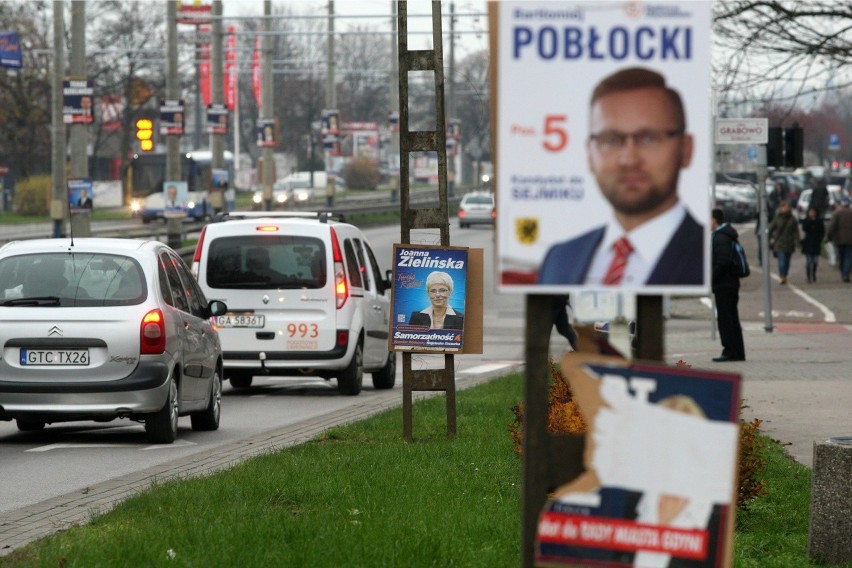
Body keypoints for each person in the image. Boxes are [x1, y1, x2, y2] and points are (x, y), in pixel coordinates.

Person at [538, 67, 703, 286]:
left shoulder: (705, 257)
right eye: (612, 140)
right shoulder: (559, 259)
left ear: (686, 149)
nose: (629, 159)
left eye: (649, 139)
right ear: (589, 154)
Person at [711, 208, 746, 362]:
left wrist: (712, 278)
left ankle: (729, 351)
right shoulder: (728, 235)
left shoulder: (720, 238)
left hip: (724, 283)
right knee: (732, 317)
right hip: (731, 282)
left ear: (714, 220)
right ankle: (738, 351)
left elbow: (723, 262)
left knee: (725, 318)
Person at [767, 199, 800, 284]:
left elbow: (796, 231)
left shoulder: (792, 219)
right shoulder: (777, 218)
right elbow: (770, 229)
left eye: (787, 207)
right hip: (779, 243)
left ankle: (785, 274)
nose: (785, 208)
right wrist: (768, 239)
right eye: (783, 207)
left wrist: (798, 242)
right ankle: (782, 276)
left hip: (789, 243)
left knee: (787, 262)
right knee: (781, 260)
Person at [826, 196, 852, 283]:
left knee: (841, 256)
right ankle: (846, 274)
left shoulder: (837, 213)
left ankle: (843, 272)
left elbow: (832, 226)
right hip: (850, 239)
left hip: (839, 239)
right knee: (848, 257)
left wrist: (829, 236)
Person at [800, 206, 825, 283]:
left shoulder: (819, 221)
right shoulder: (806, 221)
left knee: (815, 261)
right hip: (808, 243)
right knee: (809, 261)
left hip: (816, 243)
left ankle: (813, 274)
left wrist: (820, 238)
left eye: (813, 212)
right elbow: (804, 228)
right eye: (810, 212)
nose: (812, 213)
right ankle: (808, 276)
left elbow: (822, 231)